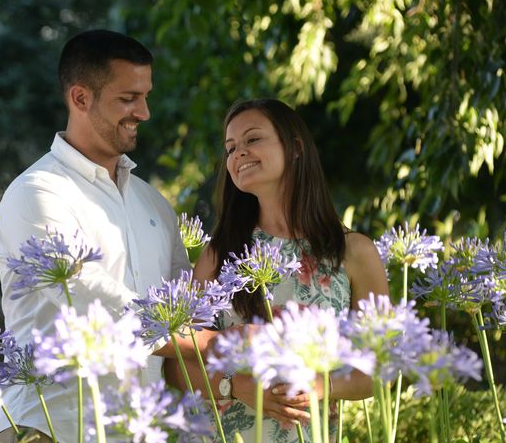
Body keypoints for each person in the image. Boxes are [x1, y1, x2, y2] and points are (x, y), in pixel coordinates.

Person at [0, 29, 191, 442]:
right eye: (128, 98)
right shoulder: (37, 192)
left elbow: (185, 305)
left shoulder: (154, 205)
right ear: (80, 98)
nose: (145, 112)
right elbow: (85, 294)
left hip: (137, 430)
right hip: (49, 425)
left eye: (146, 95)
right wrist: (198, 342)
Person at [164, 98, 389, 442]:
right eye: (230, 147)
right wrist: (236, 387)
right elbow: (176, 365)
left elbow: (379, 367)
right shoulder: (219, 253)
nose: (238, 153)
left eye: (252, 139)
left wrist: (322, 385)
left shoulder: (354, 252)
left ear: (295, 147)